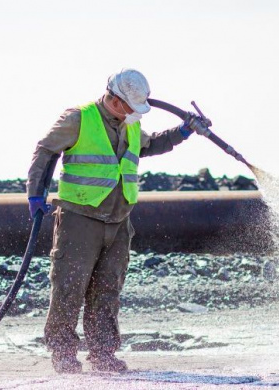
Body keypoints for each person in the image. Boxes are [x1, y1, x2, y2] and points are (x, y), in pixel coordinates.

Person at [26, 69, 208, 374]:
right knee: (70, 287)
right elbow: (45, 151)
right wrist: (35, 194)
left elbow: (152, 145)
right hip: (80, 218)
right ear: (114, 99)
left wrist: (184, 131)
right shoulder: (78, 119)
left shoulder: (131, 126)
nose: (136, 114)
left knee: (107, 290)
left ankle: (102, 354)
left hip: (119, 221)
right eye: (131, 107)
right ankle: (63, 353)